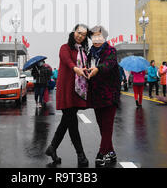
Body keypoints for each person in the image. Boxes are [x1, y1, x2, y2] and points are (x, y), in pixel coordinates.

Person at [45, 24, 89, 168]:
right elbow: (67, 61)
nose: (80, 36)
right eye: (78, 32)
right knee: (72, 123)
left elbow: (85, 66)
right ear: (73, 32)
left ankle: (52, 148)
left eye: (83, 34)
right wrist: (75, 68)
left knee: (66, 122)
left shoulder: (83, 51)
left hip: (77, 90)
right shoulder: (65, 47)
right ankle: (81, 154)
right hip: (66, 90)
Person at [86, 25, 120, 167]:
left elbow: (109, 65)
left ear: (104, 37)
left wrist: (97, 69)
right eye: (94, 37)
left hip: (110, 93)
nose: (97, 39)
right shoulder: (90, 54)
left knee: (107, 125)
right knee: (101, 125)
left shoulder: (110, 50)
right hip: (96, 94)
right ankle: (111, 152)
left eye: (99, 36)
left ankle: (101, 153)